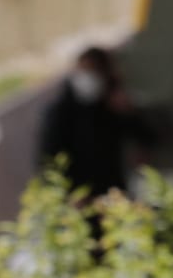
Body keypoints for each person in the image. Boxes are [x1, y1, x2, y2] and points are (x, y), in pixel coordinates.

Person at [36, 45, 151, 198]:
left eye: (93, 71)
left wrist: (129, 114)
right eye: (84, 71)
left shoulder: (111, 106)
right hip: (78, 198)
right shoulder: (61, 112)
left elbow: (148, 137)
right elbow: (48, 159)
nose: (87, 77)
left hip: (113, 194)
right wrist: (68, 193)